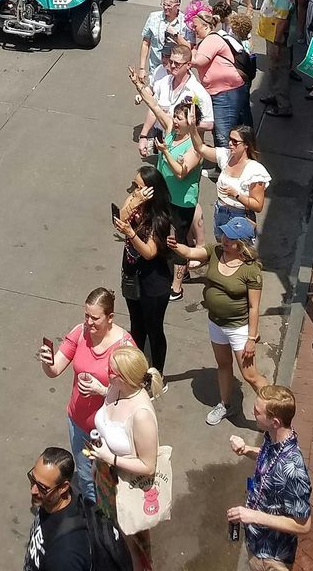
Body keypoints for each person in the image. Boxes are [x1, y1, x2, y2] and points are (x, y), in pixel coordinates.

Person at [40, 288, 134, 503]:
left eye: (95, 318)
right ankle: (95, 521)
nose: (89, 322)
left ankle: (114, 523)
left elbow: (134, 396)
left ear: (110, 318)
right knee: (86, 478)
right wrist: (47, 362)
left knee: (113, 480)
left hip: (110, 432)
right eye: (86, 315)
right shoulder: (80, 332)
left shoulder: (124, 348)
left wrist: (101, 390)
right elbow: (54, 371)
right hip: (79, 423)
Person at [169, 217, 265, 424]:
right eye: (224, 235)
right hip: (216, 323)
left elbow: (254, 307)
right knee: (223, 364)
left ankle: (275, 409)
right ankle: (225, 404)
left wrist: (251, 338)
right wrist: (177, 246)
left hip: (238, 328)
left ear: (242, 243)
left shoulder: (251, 270)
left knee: (250, 375)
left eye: (230, 238)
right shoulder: (216, 251)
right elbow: (191, 253)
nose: (225, 239)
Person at [88, 345, 164, 571]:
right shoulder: (115, 387)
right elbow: (113, 408)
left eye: (111, 371)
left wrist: (109, 458)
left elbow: (148, 465)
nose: (106, 372)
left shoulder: (142, 416)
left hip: (127, 487)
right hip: (105, 477)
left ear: (126, 378)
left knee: (131, 546)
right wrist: (100, 389)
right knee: (115, 536)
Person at [131, 73, 205, 300]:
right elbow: (153, 105)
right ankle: (167, 271)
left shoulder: (196, 147)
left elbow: (181, 173)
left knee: (177, 241)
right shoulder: (171, 129)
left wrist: (164, 151)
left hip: (181, 202)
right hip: (163, 197)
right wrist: (138, 85)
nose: (175, 120)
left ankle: (177, 287)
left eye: (180, 118)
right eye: (175, 116)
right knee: (161, 233)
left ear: (190, 122)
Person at [227, 385, 313, 569]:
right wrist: (247, 450)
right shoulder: (273, 436)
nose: (252, 412)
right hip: (256, 539)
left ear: (275, 422)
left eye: (257, 412)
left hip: (272, 556)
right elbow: (271, 460)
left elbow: (304, 525)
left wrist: (254, 516)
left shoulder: (293, 470)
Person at [112, 165, 174, 372]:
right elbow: (120, 219)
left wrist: (131, 233)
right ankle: (135, 369)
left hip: (154, 283)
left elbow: (149, 252)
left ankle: (157, 372)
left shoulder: (161, 219)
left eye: (140, 187)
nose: (135, 191)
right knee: (136, 325)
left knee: (153, 329)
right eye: (134, 186)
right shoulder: (135, 201)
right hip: (132, 276)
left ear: (152, 190)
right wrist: (135, 201)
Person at [22, 446, 102, 571]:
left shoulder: (66, 556)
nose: (33, 490)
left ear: (63, 487)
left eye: (42, 488)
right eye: (32, 480)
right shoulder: (50, 500)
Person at [190, 120, 271, 242]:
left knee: (238, 252)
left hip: (240, 216)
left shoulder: (255, 171)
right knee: (222, 245)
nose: (230, 144)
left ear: (246, 145)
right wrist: (192, 128)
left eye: (235, 142)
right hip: (220, 210)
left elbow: (258, 205)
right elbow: (201, 148)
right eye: (229, 139)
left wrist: (236, 194)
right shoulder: (226, 156)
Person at [191, 5, 253, 144]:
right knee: (232, 131)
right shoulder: (207, 40)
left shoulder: (211, 40)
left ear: (205, 26)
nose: (193, 30)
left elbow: (198, 61)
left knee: (223, 135)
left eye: (195, 26)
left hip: (225, 93)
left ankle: (226, 164)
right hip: (224, 92)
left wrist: (180, 41)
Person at [251, 0, 295, 118]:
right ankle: (274, 95)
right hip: (269, 36)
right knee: (272, 68)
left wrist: (276, 43)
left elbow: (282, 20)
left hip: (278, 39)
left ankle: (283, 106)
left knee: (280, 71)